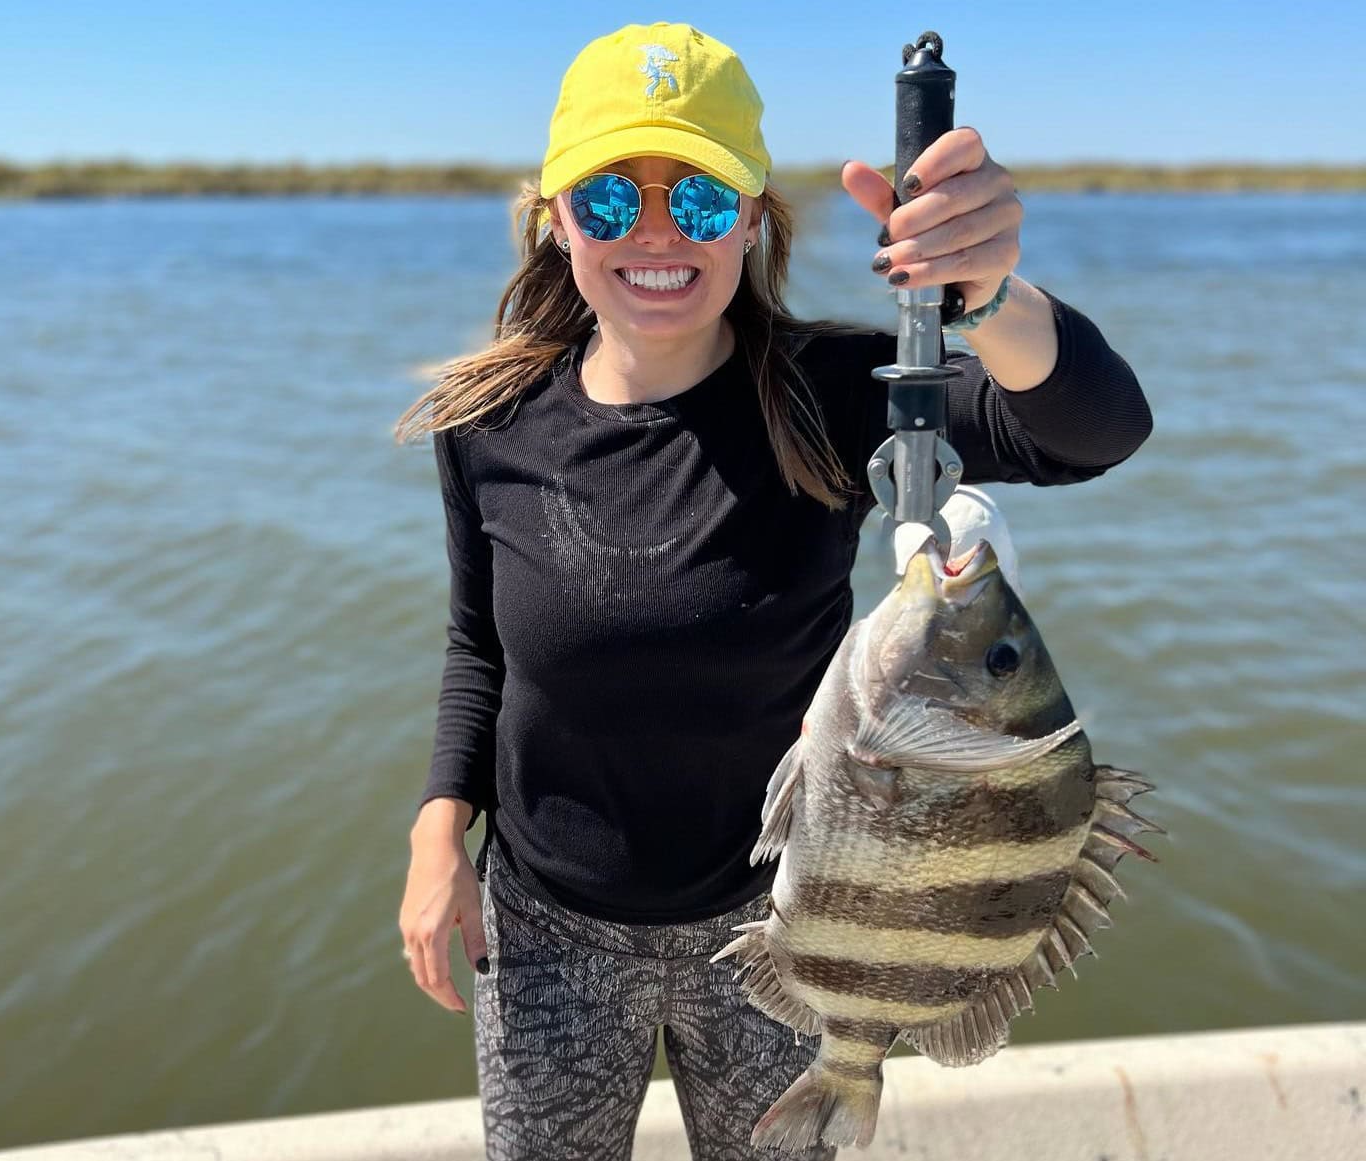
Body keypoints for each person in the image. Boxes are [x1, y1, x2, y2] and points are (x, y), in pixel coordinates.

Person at [395, 21, 1152, 1161]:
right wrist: (438, 828)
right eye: (609, 201)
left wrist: (991, 296)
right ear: (556, 222)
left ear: (751, 219)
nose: (656, 233)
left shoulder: (841, 394)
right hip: (545, 924)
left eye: (698, 201)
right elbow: (476, 648)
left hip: (790, 926)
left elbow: (1093, 432)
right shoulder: (486, 422)